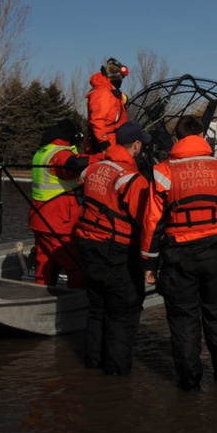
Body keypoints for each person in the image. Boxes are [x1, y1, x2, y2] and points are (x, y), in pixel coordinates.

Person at [141, 115, 217, 391]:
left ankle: (190, 385)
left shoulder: (163, 171)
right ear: (203, 136)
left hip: (179, 257)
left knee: (184, 322)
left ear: (177, 138)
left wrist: (149, 263)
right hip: (215, 254)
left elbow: (152, 222)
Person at [74, 121, 152, 376]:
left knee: (97, 309)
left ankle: (92, 365)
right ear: (136, 145)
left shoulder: (93, 168)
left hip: (88, 247)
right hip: (117, 252)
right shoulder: (132, 179)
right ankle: (116, 377)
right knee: (122, 315)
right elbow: (144, 221)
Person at [29, 119, 91, 289]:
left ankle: (39, 293)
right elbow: (71, 165)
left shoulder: (43, 151)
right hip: (58, 221)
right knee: (76, 265)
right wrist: (100, 159)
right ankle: (76, 298)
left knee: (45, 264)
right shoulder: (60, 153)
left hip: (41, 217)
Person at [86, 57, 130, 153]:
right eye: (121, 78)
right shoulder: (102, 93)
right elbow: (98, 120)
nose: (122, 81)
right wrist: (104, 144)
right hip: (107, 145)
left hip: (115, 142)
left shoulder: (111, 92)